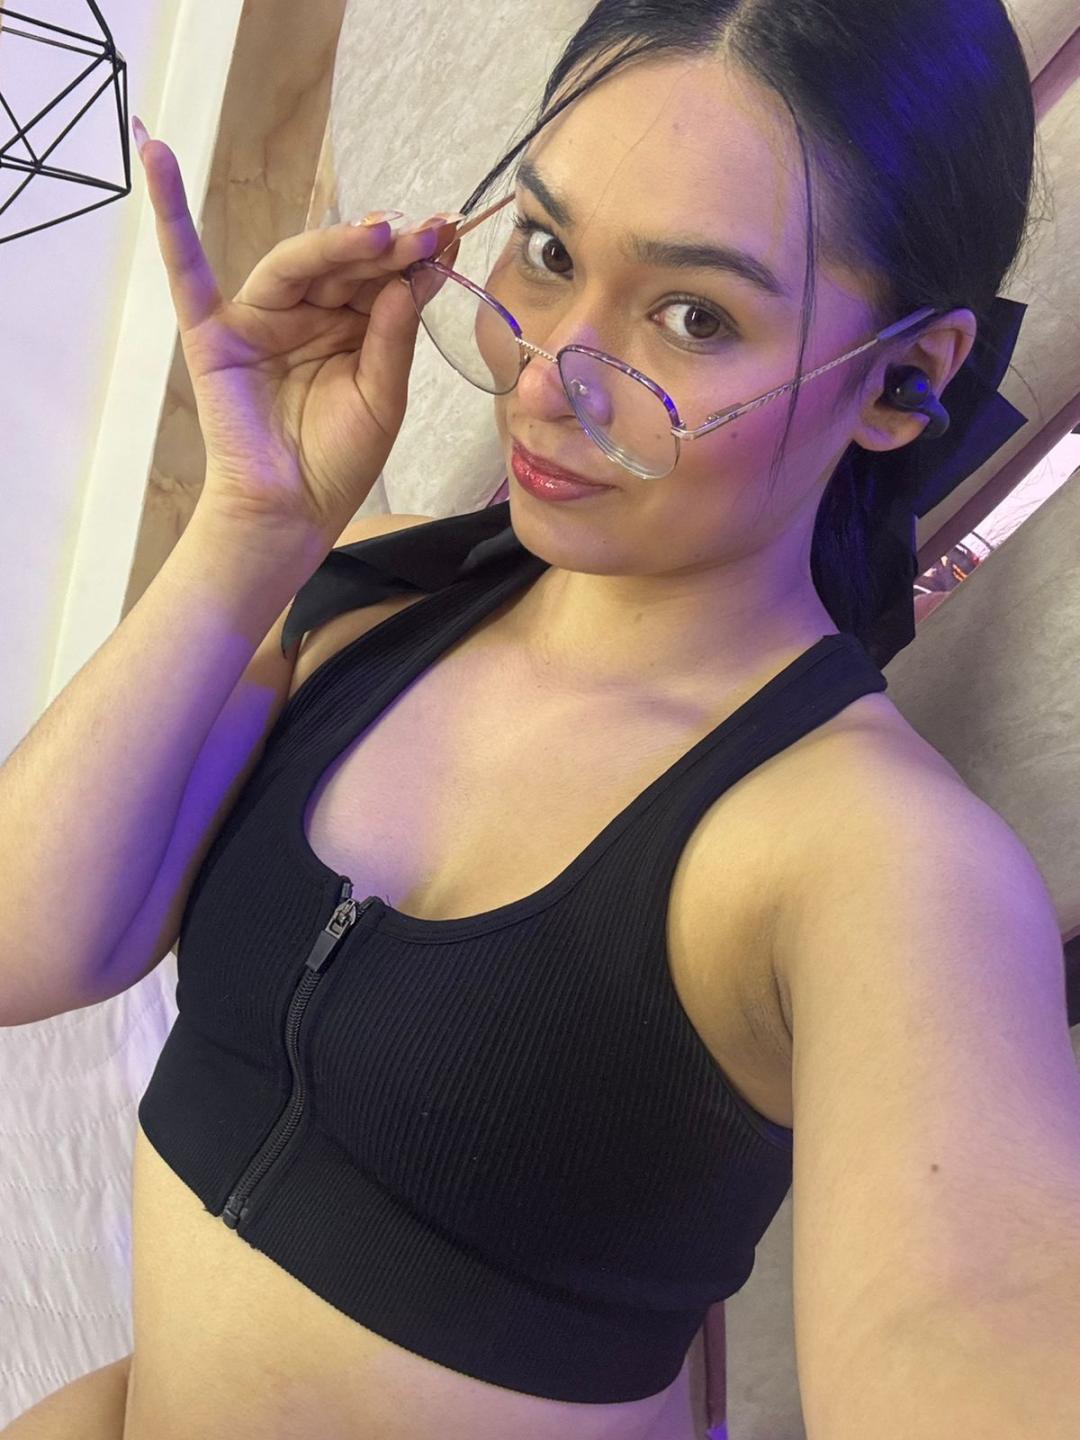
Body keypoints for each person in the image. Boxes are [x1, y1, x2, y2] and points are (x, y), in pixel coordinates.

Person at [0, 2, 1041, 1439]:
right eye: (547, 251)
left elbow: (971, 1327)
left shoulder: (866, 855)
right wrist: (252, 529)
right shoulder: (372, 599)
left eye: (694, 315)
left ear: (904, 381)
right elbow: (29, 945)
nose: (549, 378)